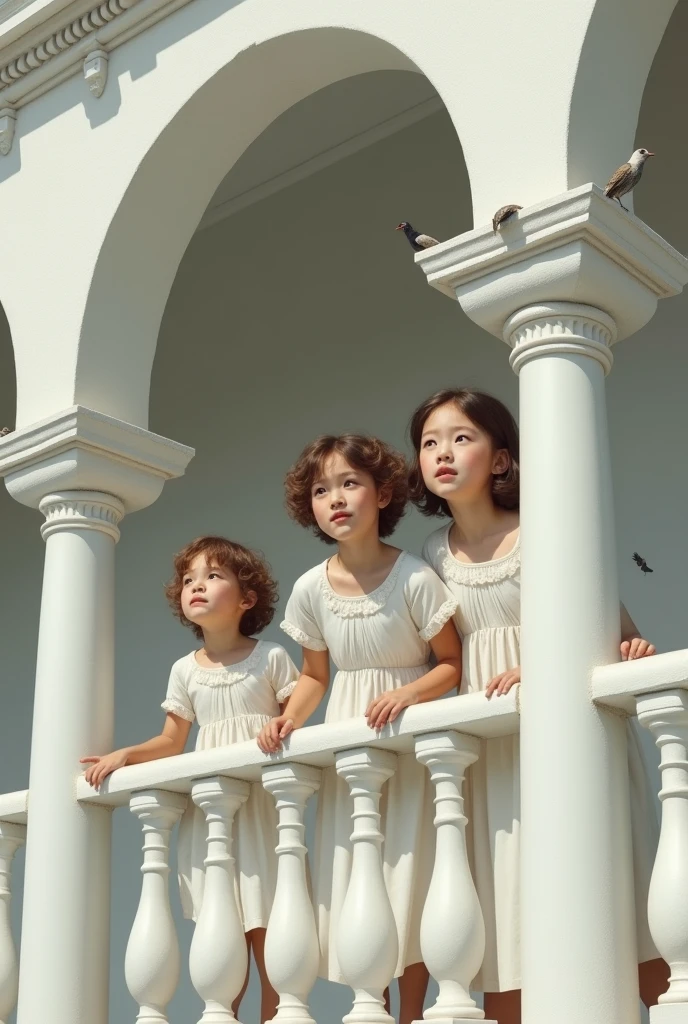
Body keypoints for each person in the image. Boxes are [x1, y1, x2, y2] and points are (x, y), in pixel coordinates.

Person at [408, 387, 667, 1024]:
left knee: (614, 908)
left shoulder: (544, 531)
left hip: (571, 739)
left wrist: (557, 659)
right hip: (491, 751)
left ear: (501, 458)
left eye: (462, 437)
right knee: (505, 914)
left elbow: (612, 629)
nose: (443, 453)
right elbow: (438, 657)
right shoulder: (432, 557)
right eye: (429, 442)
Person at [257, 434, 462, 1024]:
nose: (336, 499)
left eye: (350, 483)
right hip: (351, 732)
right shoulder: (309, 589)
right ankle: (374, 1005)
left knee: (413, 870)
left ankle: (415, 1013)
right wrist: (288, 717)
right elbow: (315, 676)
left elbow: (451, 663)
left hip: (410, 736)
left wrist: (406, 692)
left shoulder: (416, 577)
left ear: (383, 493)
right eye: (321, 490)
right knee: (360, 873)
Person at [82, 536, 298, 1023]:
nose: (197, 586)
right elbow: (171, 740)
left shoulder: (271, 657)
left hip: (261, 810)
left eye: (214, 576)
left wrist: (281, 725)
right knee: (221, 942)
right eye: (188, 580)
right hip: (210, 812)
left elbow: (295, 719)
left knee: (272, 941)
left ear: (247, 598)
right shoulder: (185, 671)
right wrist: (125, 755)